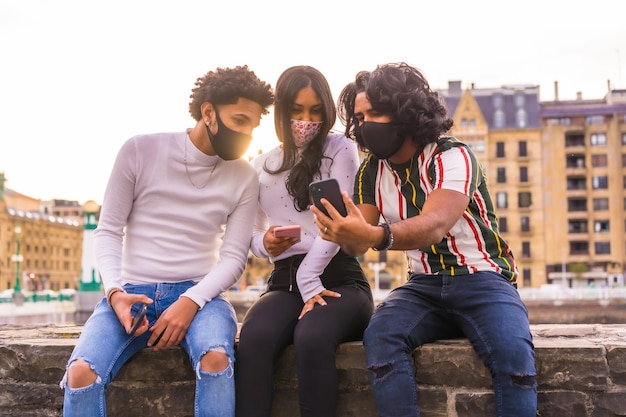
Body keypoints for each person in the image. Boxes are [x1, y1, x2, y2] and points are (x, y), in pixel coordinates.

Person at [311, 62, 537, 417]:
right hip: (423, 285)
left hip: (483, 279)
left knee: (515, 358)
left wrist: (372, 234)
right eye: (360, 116)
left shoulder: (452, 155)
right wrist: (339, 230)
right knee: (381, 336)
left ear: (405, 112)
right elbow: (358, 242)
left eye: (376, 112)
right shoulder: (371, 170)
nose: (366, 124)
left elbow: (434, 224)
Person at [59, 65, 274, 417]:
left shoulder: (245, 177)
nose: (247, 133)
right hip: (130, 293)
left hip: (200, 296)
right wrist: (114, 293)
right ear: (208, 113)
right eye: (239, 120)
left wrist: (190, 302)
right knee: (81, 373)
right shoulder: (140, 151)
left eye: (253, 125)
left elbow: (235, 257)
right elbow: (109, 230)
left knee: (216, 360)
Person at [235, 65, 374, 417]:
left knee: (312, 338)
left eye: (315, 111)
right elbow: (249, 235)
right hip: (284, 281)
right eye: (297, 111)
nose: (306, 120)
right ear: (281, 111)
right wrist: (266, 244)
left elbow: (339, 222)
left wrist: (309, 279)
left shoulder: (339, 148)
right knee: (253, 340)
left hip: (339, 278)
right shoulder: (261, 166)